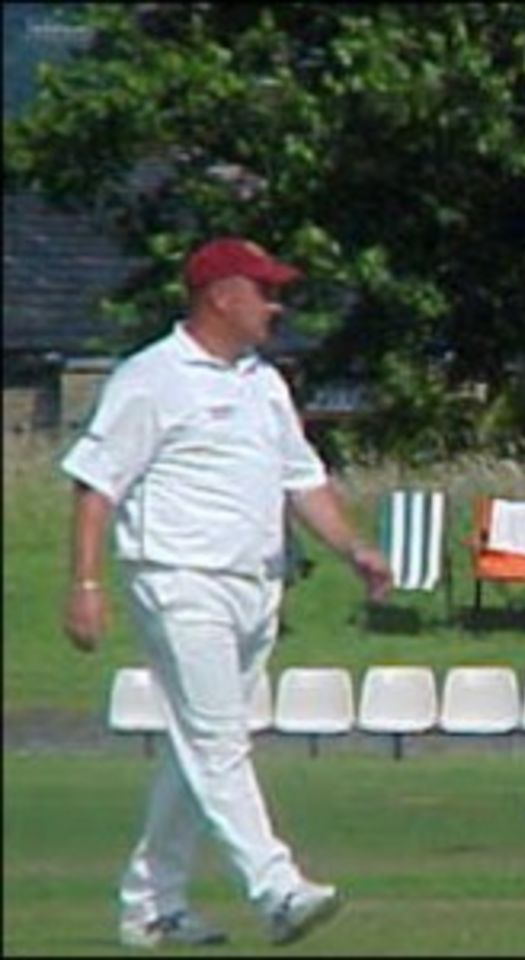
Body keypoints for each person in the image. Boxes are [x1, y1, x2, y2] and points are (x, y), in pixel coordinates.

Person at [61, 237, 394, 948]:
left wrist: (354, 547)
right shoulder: (152, 377)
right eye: (265, 291)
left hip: (253, 584)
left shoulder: (262, 382)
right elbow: (95, 486)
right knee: (216, 741)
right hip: (178, 578)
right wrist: (85, 584)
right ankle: (277, 887)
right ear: (221, 296)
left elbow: (301, 480)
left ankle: (151, 904)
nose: (277, 306)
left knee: (202, 746)